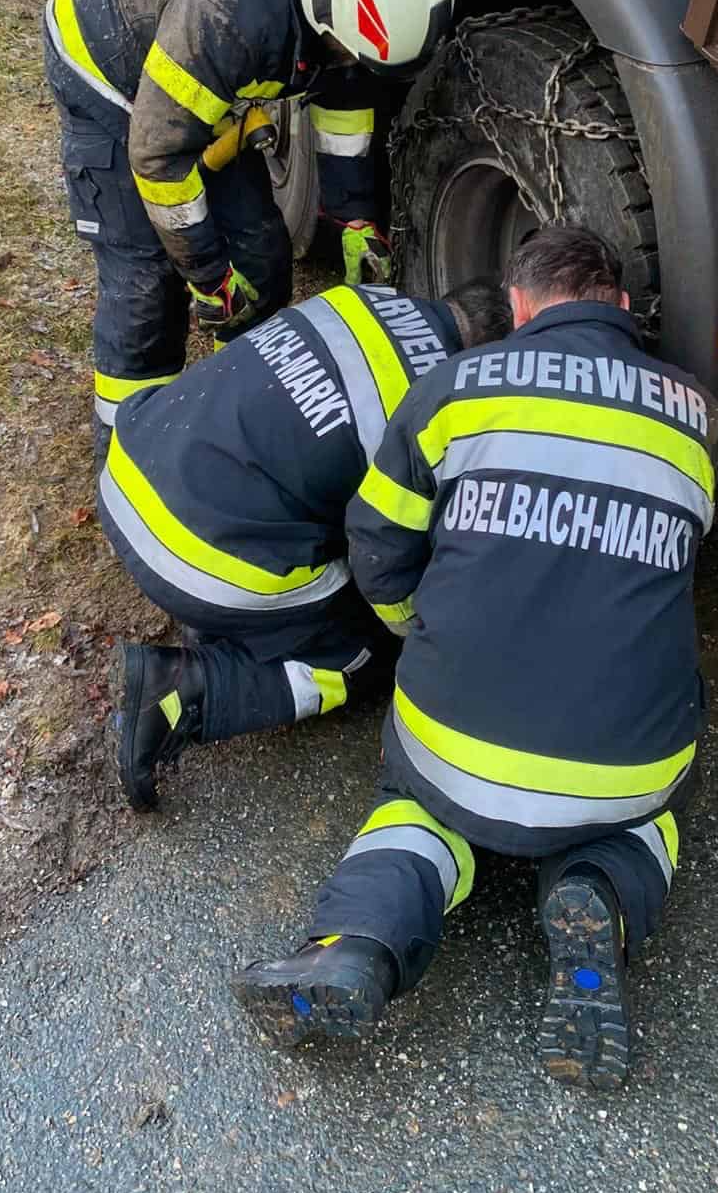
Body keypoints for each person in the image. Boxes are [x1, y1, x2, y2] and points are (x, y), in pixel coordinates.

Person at [232, 226, 718, 1091]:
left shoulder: (454, 388)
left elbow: (377, 541)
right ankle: (601, 891)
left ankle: (357, 945)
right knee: (648, 802)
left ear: (520, 306)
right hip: (621, 765)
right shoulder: (699, 417)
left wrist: (419, 628)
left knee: (417, 810)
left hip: (450, 747)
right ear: (619, 305)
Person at [43, 0, 456, 461]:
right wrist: (208, 276)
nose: (347, 62)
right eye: (346, 52)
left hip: (189, 83)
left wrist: (355, 217)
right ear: (324, 2)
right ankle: (127, 455)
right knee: (147, 284)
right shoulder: (227, 18)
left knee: (260, 253)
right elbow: (158, 156)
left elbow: (344, 99)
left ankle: (235, 407)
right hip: (103, 65)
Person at [100, 277, 512, 810]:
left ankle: (230, 620)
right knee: (362, 653)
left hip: (132, 467)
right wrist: (415, 630)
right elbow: (383, 552)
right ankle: (185, 688)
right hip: (192, 555)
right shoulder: (431, 408)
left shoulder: (361, 299)